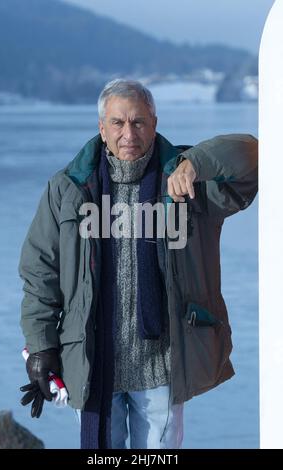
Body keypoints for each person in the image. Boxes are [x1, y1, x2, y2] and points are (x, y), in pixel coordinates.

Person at [19, 79, 258, 449]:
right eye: (117, 123)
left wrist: (197, 162)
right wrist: (40, 345)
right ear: (102, 128)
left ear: (155, 123)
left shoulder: (188, 183)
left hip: (162, 367)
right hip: (93, 363)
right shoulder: (66, 190)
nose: (128, 133)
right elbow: (40, 274)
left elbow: (253, 158)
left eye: (139, 122)